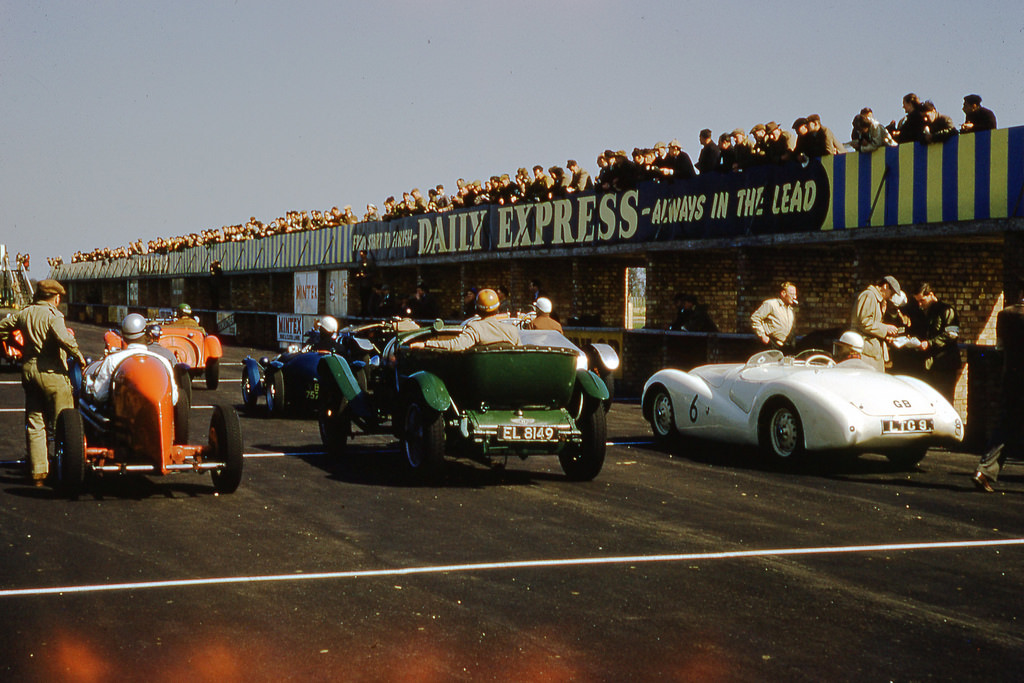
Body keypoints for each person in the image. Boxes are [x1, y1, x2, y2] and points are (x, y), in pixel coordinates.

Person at [0, 279, 85, 486]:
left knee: (35, 422)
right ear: (56, 298)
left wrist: (12, 345)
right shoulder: (53, 315)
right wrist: (79, 355)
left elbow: (2, 328)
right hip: (52, 371)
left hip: (29, 371)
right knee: (64, 424)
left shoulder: (25, 313)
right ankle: (63, 470)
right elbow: (64, 338)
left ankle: (38, 472)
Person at [973, 279, 1024, 492]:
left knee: (1006, 424)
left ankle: (984, 470)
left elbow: (999, 347)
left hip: (1011, 378)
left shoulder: (1005, 314)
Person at [84, 313, 179, 406]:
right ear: (146, 335)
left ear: (124, 337)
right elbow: (173, 398)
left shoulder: (112, 360)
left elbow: (100, 395)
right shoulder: (163, 361)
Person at [410, 289, 520, 351]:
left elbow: (455, 345)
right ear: (497, 308)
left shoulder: (476, 329)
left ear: (477, 308)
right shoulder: (512, 331)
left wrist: (426, 344)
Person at [910, 283, 962, 401]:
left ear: (931, 295)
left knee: (945, 399)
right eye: (917, 301)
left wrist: (930, 343)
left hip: (945, 364)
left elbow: (952, 334)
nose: (920, 304)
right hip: (931, 365)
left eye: (922, 300)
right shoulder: (926, 312)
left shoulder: (947, 310)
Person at [851, 275, 902, 372]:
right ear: (885, 286)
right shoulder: (869, 295)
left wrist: (885, 335)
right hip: (866, 352)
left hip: (871, 352)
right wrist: (885, 328)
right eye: (891, 293)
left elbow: (872, 326)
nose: (891, 297)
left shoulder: (877, 300)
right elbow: (864, 322)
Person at [750, 282, 798, 350]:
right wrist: (762, 335)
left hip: (784, 347)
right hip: (770, 345)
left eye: (795, 294)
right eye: (792, 294)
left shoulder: (790, 310)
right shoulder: (771, 304)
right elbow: (755, 318)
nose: (795, 297)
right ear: (783, 293)